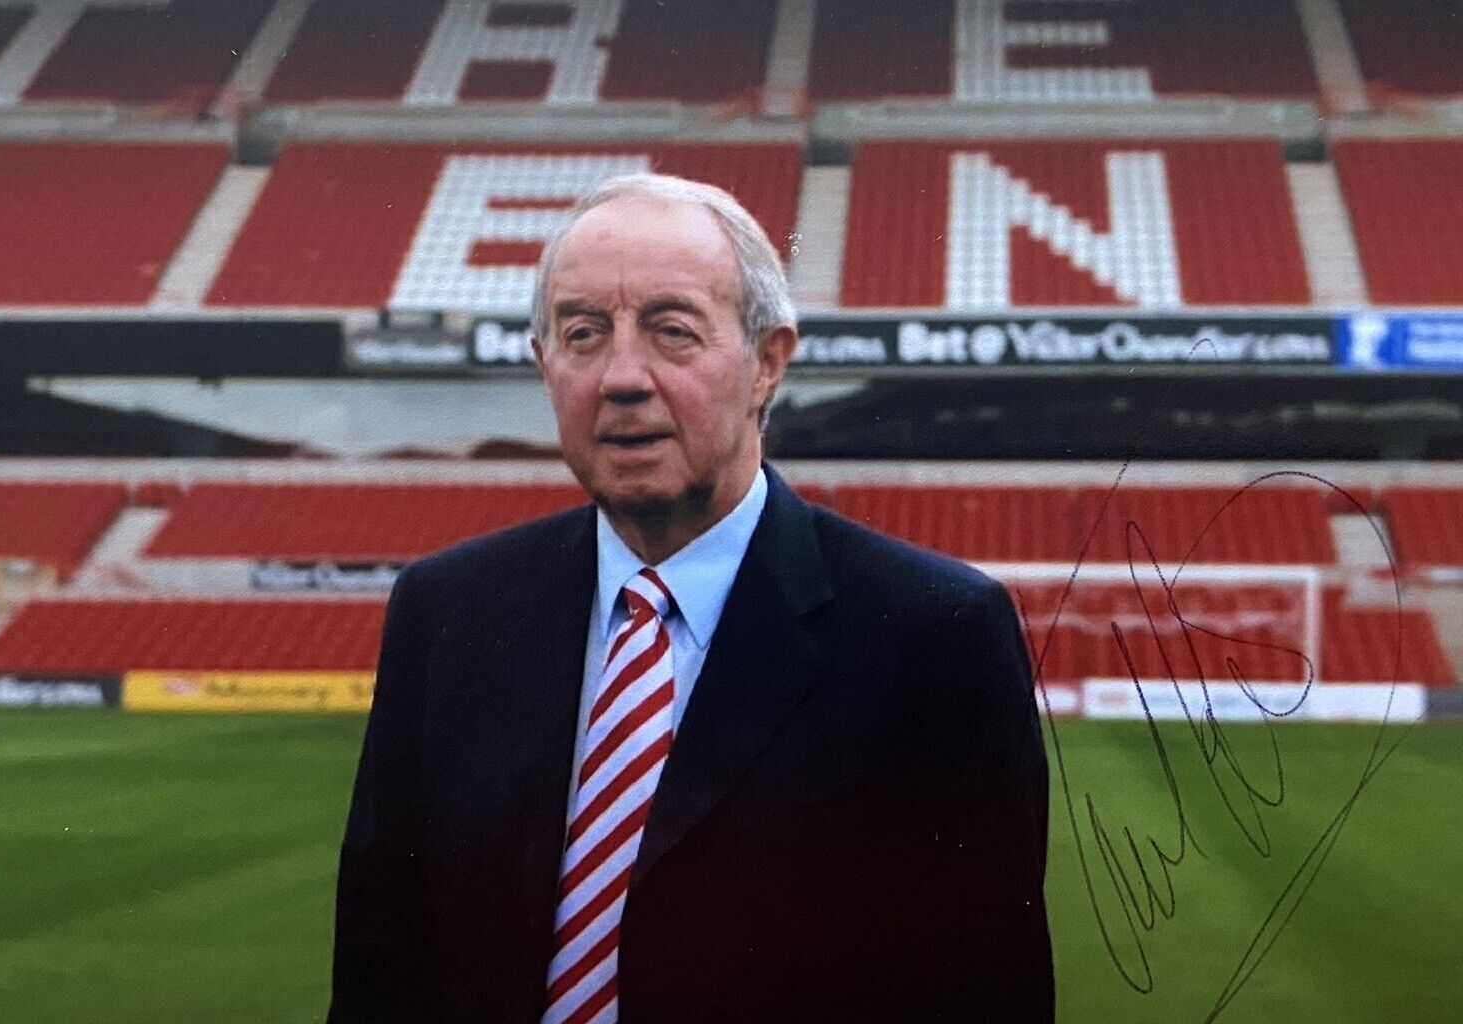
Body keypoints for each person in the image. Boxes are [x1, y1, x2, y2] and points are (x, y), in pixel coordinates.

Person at [327, 173, 1053, 1023]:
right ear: (544, 364)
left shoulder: (933, 637)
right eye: (583, 334)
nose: (621, 377)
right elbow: (380, 980)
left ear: (766, 365)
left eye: (672, 332)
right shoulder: (446, 613)